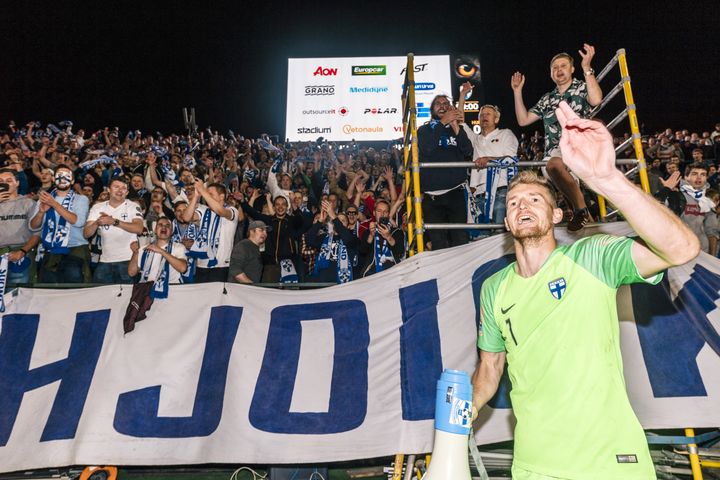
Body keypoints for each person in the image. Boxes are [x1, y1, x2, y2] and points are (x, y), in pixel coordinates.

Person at [471, 101, 700, 480]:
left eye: (534, 200)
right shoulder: (494, 288)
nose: (521, 206)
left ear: (556, 215)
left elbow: (682, 249)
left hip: (608, 461)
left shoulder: (591, 256)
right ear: (507, 220)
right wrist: (469, 406)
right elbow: (491, 366)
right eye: (513, 203)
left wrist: (607, 179)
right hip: (533, 465)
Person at [511, 44, 603, 231]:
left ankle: (581, 210)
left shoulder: (582, 87)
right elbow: (523, 120)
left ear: (572, 69)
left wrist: (587, 68)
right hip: (556, 151)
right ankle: (583, 213)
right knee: (552, 166)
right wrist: (517, 91)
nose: (559, 70)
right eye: (555, 68)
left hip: (580, 146)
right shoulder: (548, 99)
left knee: (556, 168)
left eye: (563, 66)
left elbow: (596, 100)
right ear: (551, 74)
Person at [417, 94, 474, 250]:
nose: (442, 106)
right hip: (432, 196)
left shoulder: (457, 130)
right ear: (432, 109)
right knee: (438, 242)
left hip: (455, 192)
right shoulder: (424, 130)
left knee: (460, 239)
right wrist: (443, 122)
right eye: (438, 104)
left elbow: (468, 150)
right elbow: (427, 148)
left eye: (446, 103)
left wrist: (455, 125)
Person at [458, 83, 519, 227]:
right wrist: (462, 95)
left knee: (499, 234)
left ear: (496, 119)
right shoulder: (475, 139)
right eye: (482, 114)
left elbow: (511, 158)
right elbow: (459, 121)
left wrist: (489, 159)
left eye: (488, 114)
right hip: (479, 194)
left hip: (501, 190)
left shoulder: (506, 134)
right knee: (482, 238)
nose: (484, 116)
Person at [30, 166, 91, 283]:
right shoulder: (43, 199)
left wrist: (54, 204)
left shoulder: (81, 199)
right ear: (53, 179)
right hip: (51, 250)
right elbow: (33, 226)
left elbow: (78, 222)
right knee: (49, 290)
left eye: (66, 176)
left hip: (75, 248)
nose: (62, 179)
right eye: (59, 176)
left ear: (72, 181)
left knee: (74, 289)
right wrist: (41, 212)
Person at [84, 177, 144, 283]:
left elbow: (139, 229)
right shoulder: (97, 207)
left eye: (123, 188)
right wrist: (97, 222)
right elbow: (86, 234)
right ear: (108, 189)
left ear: (127, 192)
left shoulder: (133, 206)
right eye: (116, 187)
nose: (120, 191)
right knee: (99, 297)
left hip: (127, 260)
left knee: (126, 297)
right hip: (105, 260)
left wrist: (114, 222)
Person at [182, 180, 240, 283]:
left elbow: (220, 211)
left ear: (222, 196)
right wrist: (196, 196)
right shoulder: (204, 210)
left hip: (220, 265)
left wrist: (203, 190)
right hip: (201, 264)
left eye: (210, 194)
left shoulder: (232, 210)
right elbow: (186, 218)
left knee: (216, 298)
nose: (206, 197)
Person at [128, 216, 188, 295]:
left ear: (171, 231)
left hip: (172, 289)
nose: (164, 227)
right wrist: (136, 252)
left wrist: (161, 251)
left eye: (167, 226)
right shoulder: (144, 248)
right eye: (160, 225)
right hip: (148, 291)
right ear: (155, 230)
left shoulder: (178, 247)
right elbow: (131, 272)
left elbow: (183, 268)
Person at [0, 168, 40, 284]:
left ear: (17, 183)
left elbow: (37, 233)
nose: (4, 183)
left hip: (20, 252)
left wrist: (22, 251)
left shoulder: (28, 203)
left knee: (19, 293)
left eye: (8, 180)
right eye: (1, 181)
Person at [358, 199, 404, 277]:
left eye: (385, 211)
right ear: (374, 213)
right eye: (379, 211)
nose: (382, 214)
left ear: (388, 214)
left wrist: (388, 237)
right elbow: (362, 251)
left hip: (393, 272)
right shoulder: (368, 231)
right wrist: (371, 235)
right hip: (371, 272)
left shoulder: (396, 231)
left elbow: (400, 251)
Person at [228, 220, 269, 284]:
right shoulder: (243, 246)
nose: (265, 234)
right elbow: (235, 271)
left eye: (266, 231)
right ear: (251, 231)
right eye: (261, 230)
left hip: (248, 291)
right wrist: (252, 286)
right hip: (239, 291)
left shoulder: (256, 248)